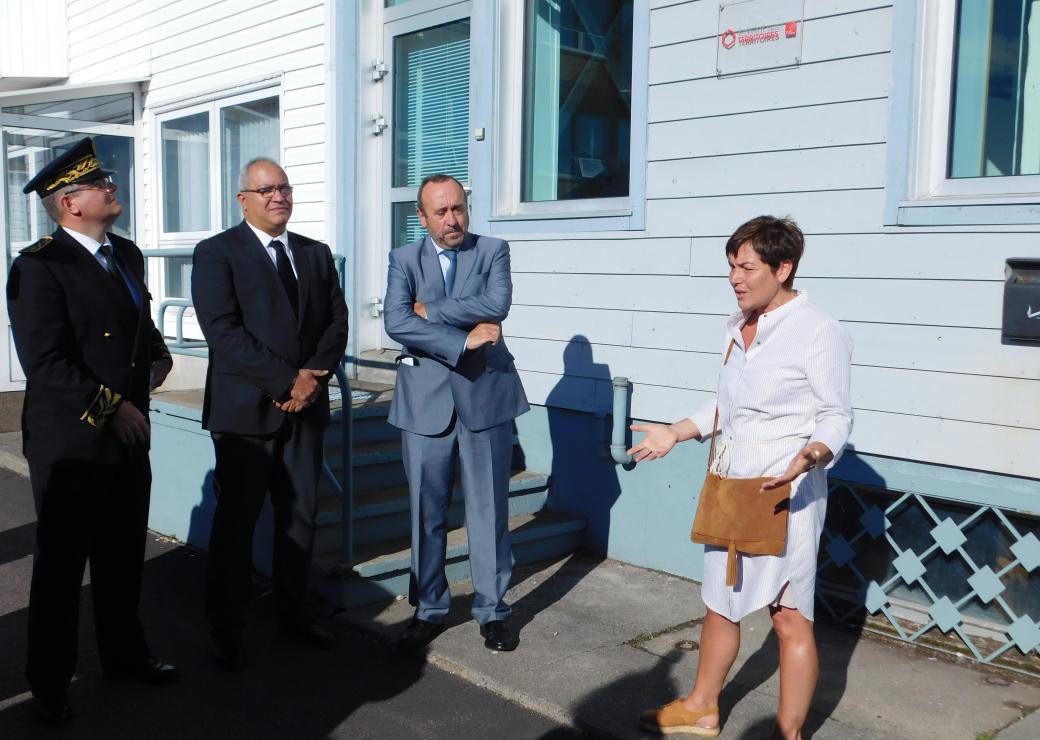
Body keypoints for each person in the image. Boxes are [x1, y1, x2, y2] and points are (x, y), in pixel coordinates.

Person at [632, 216, 853, 740]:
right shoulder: (738, 326)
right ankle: (702, 707)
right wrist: (677, 431)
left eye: (747, 267)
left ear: (783, 267)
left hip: (786, 489)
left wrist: (813, 454)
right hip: (731, 483)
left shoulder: (818, 329)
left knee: (788, 615)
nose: (735, 277)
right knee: (720, 600)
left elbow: (836, 414)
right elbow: (727, 405)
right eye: (731, 266)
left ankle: (788, 733)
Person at [6, 137, 178, 725]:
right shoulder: (40, 265)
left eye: (107, 179)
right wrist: (114, 408)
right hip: (74, 442)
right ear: (70, 203)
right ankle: (49, 683)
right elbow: (46, 362)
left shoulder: (125, 253)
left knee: (123, 556)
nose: (112, 187)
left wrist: (157, 355)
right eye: (99, 183)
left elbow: (136, 323)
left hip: (128, 434)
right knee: (60, 568)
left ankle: (126, 656)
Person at [191, 157, 348, 670]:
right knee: (237, 523)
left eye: (284, 187)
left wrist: (310, 378)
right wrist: (287, 380)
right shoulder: (217, 253)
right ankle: (225, 629)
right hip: (246, 413)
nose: (278, 196)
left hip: (304, 411)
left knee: (300, 517)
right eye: (266, 189)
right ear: (244, 199)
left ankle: (294, 614)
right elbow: (223, 330)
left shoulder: (315, 253)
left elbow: (336, 324)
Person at [384, 174, 529, 652]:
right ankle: (429, 607)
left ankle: (492, 611)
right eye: (441, 212)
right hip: (424, 403)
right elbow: (395, 320)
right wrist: (464, 337)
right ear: (421, 218)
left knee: (488, 511)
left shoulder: (492, 250)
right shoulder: (402, 259)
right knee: (427, 513)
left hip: (484, 396)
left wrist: (430, 311)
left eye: (459, 209)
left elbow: (497, 303)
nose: (453, 220)